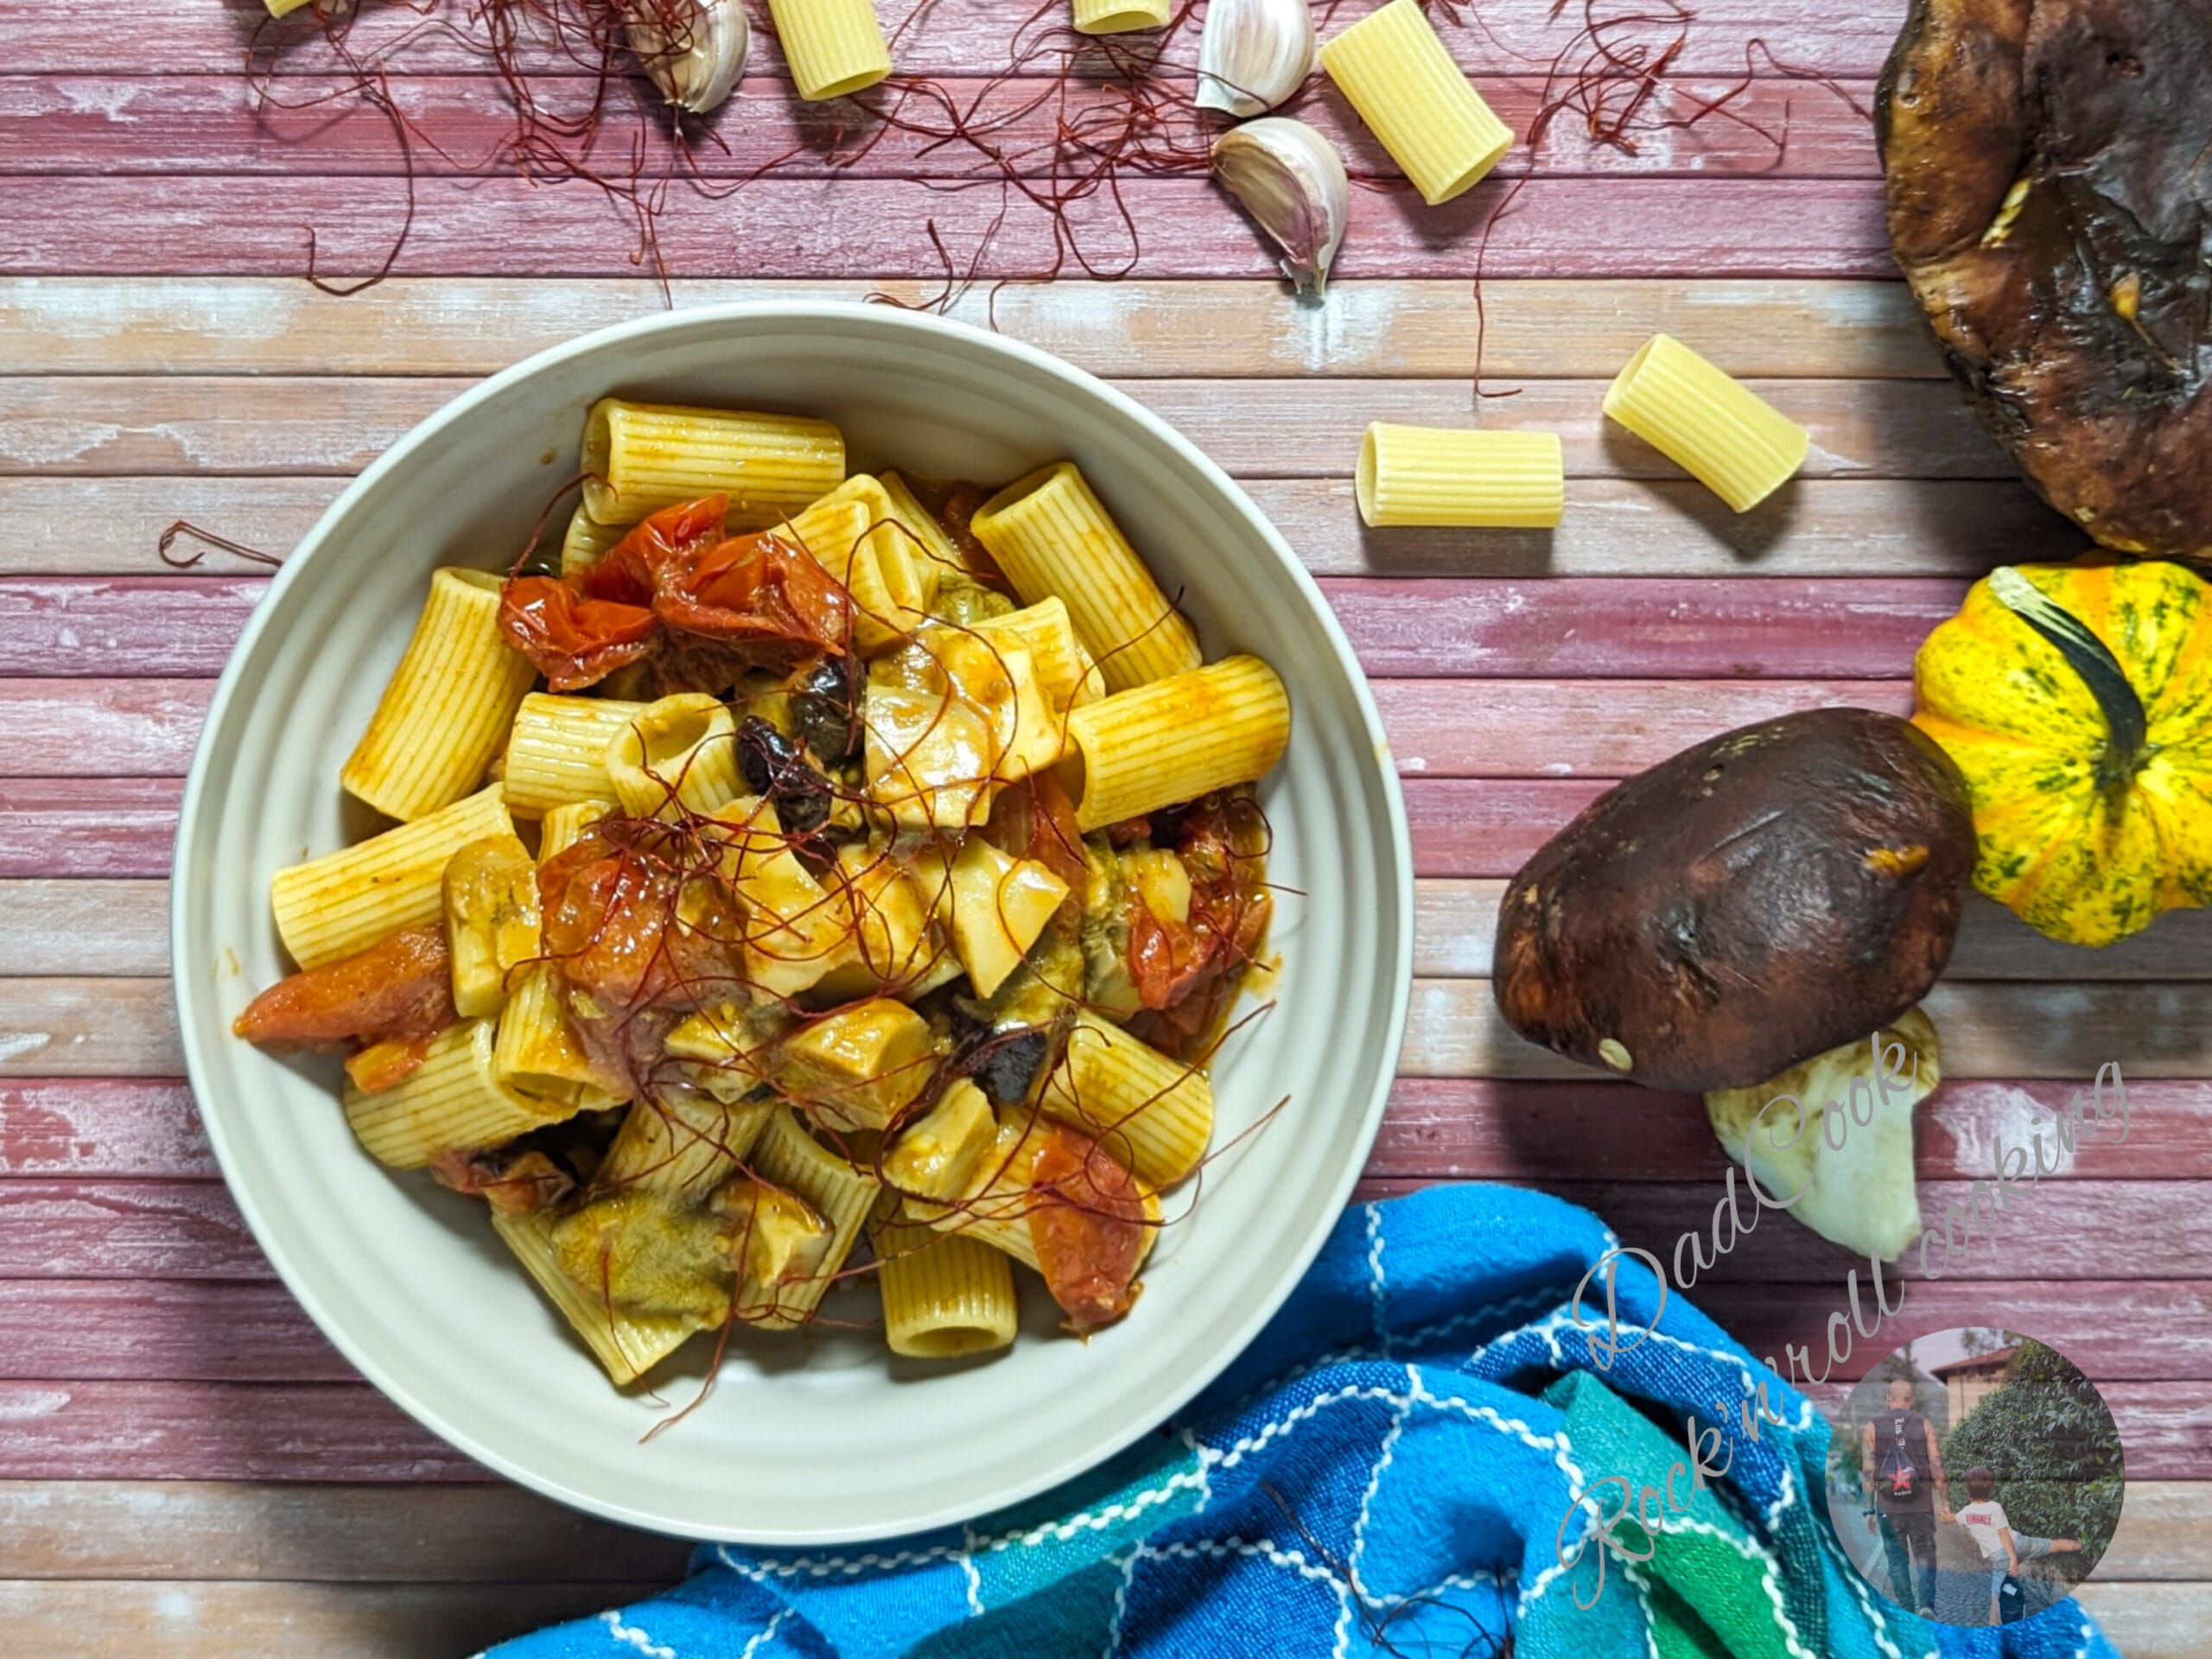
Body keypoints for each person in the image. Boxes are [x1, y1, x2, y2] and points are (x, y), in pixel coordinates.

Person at [1861, 1377, 1950, 1613]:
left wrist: (1869, 1509)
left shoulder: (1872, 1426)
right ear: (1911, 1401)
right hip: (1920, 1506)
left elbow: (1868, 1472)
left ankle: (1908, 1610)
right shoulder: (1924, 1424)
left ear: (1888, 1399)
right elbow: (1936, 1465)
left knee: (1897, 1561)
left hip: (1888, 1508)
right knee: (1924, 1554)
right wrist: (1946, 1501)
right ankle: (1927, 1606)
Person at [1955, 1465, 2083, 1624]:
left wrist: (2013, 1558)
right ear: (1990, 1489)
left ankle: (1993, 1631)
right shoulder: (1995, 1507)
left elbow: (2002, 1534)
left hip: (2004, 1556)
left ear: (1967, 1491)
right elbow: (2004, 1532)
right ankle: (2085, 1546)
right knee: (2054, 1545)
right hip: (2020, 1543)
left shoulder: (1966, 1512)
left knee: (1997, 1594)